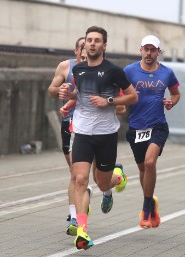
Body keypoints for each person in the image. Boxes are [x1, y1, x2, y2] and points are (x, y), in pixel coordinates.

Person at [58, 26, 138, 250]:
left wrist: (109, 102)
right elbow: (79, 95)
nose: (92, 43)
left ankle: (118, 177)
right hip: (82, 132)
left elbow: (133, 96)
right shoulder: (79, 69)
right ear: (84, 44)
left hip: (106, 134)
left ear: (104, 46)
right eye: (89, 40)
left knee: (102, 182)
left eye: (96, 40)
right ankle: (82, 232)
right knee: (80, 180)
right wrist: (69, 96)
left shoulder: (114, 70)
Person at [124, 35, 180, 229]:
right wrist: (124, 101)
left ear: (159, 52)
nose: (149, 53)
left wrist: (171, 101)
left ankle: (146, 206)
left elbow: (175, 92)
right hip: (136, 127)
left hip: (157, 125)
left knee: (150, 162)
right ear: (140, 50)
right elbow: (120, 94)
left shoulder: (167, 73)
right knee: (143, 168)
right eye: (145, 49)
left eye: (152, 50)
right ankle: (151, 201)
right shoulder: (129, 71)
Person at [47, 37, 93, 236]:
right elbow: (51, 90)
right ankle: (76, 212)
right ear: (76, 50)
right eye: (82, 48)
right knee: (74, 174)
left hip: (91, 125)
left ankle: (76, 216)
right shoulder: (66, 67)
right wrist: (61, 90)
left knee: (78, 174)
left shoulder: (97, 69)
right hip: (69, 123)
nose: (85, 52)